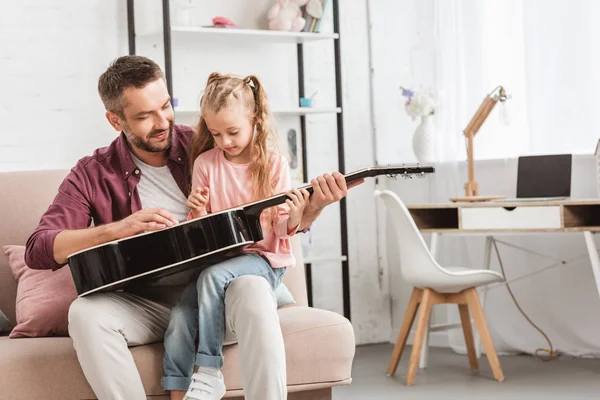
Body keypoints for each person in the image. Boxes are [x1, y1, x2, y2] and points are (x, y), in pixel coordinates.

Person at [24, 55, 353, 400]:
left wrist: (311, 210)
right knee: (85, 313)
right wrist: (118, 229)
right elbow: (40, 249)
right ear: (115, 120)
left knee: (254, 289)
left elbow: (271, 210)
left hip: (221, 297)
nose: (162, 121)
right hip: (148, 304)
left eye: (165, 106)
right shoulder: (93, 172)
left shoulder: (207, 143)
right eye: (144, 115)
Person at [162, 72, 310, 400]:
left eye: (233, 132)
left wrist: (297, 215)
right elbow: (202, 237)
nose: (225, 142)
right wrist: (197, 211)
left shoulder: (272, 164)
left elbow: (283, 230)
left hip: (263, 261)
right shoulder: (205, 164)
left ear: (254, 119)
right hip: (221, 261)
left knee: (212, 277)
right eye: (216, 134)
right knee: (180, 316)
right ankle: (180, 391)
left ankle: (210, 371)